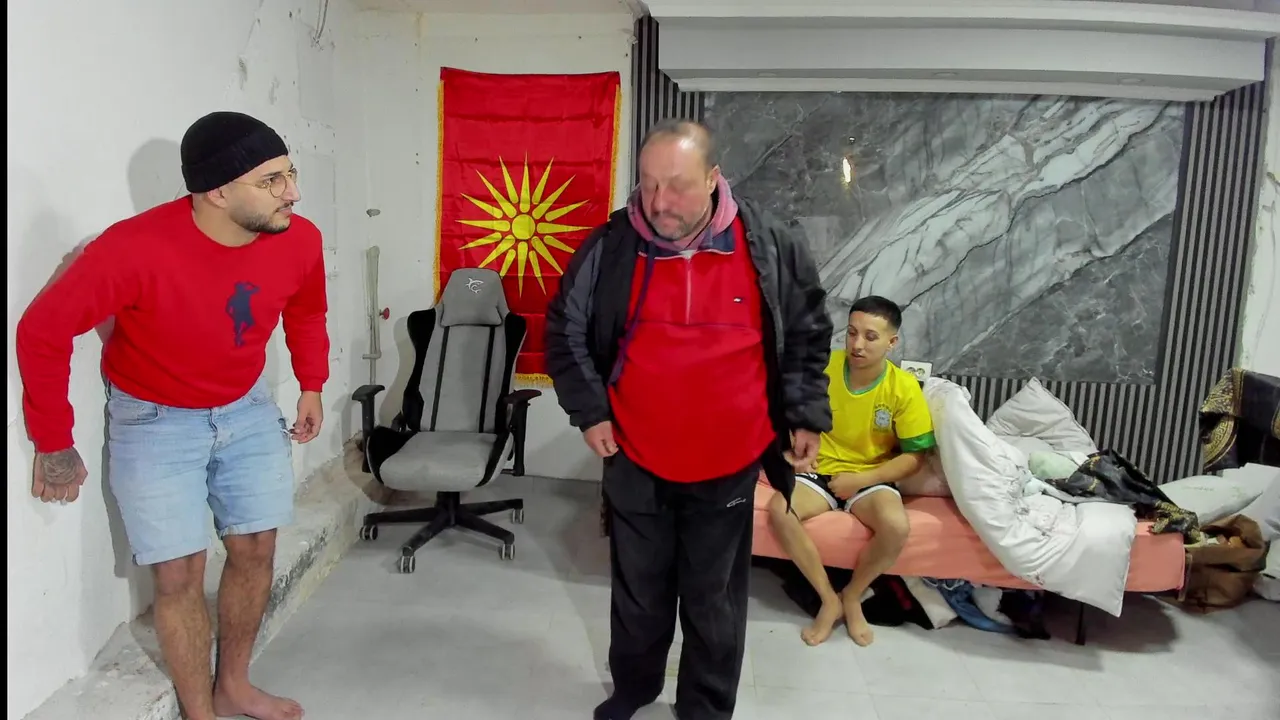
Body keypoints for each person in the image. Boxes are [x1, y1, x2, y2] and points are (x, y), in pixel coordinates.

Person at [15, 111, 329, 720]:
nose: (292, 192)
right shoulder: (132, 249)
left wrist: (311, 384)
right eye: (271, 180)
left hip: (246, 407)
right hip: (155, 421)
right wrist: (54, 441)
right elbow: (42, 331)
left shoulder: (299, 238)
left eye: (291, 173)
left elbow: (307, 308)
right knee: (179, 573)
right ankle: (199, 713)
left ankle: (232, 684)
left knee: (256, 547)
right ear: (218, 192)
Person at [545, 119, 832, 720]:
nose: (659, 202)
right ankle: (634, 689)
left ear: (713, 178)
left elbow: (807, 331)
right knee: (639, 595)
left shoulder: (771, 243)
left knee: (713, 600)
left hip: (729, 461)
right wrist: (590, 412)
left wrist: (806, 413)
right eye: (648, 184)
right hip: (634, 455)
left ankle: (705, 708)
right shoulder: (613, 245)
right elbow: (565, 330)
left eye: (676, 185)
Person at [766, 296, 936, 647]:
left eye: (870, 337)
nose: (857, 344)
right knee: (780, 510)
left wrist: (861, 480)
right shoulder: (824, 368)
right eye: (852, 333)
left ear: (892, 342)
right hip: (820, 468)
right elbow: (785, 410)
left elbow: (915, 457)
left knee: (896, 526)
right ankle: (828, 598)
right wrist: (794, 443)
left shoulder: (903, 387)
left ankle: (854, 595)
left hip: (871, 474)